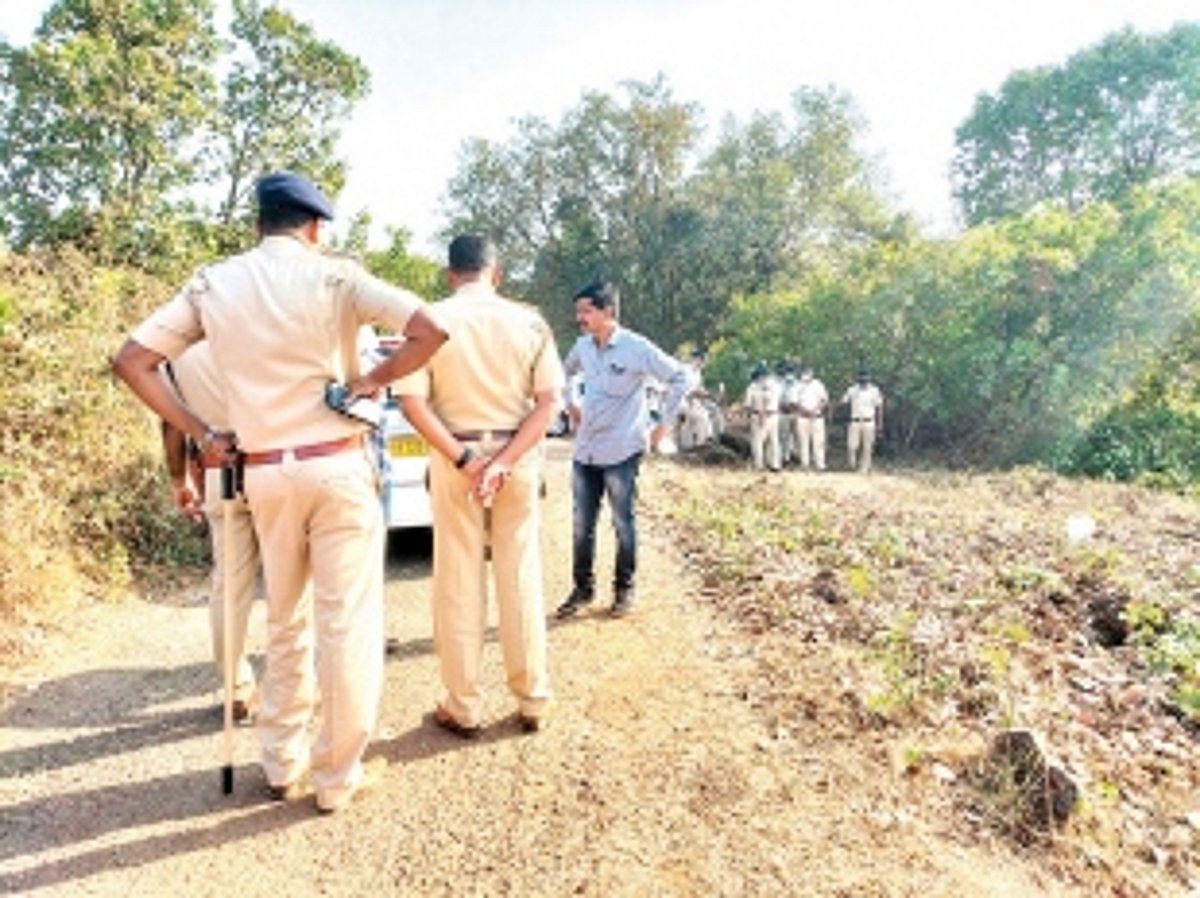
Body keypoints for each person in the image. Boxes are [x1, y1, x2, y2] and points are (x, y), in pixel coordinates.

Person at [112, 171, 447, 815]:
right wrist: (370, 381)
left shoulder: (214, 282)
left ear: (258, 224)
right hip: (337, 464)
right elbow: (429, 331)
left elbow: (132, 360)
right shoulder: (338, 276)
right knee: (344, 622)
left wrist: (202, 433)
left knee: (284, 617)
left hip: (263, 472)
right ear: (316, 226)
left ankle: (279, 761)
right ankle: (336, 778)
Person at [393, 234, 563, 737]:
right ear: (498, 273)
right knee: (519, 574)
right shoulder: (530, 321)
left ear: (451, 274)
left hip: (455, 457)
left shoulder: (429, 321)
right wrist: (503, 462)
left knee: (457, 578)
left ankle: (463, 704)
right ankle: (532, 697)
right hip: (517, 457)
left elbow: (412, 403)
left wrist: (469, 460)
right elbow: (548, 402)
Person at [556, 279, 688, 619]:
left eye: (587, 310)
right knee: (581, 524)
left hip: (621, 448)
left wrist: (663, 424)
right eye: (578, 311)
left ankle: (623, 591)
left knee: (622, 522)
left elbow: (680, 378)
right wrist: (571, 403)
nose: (580, 317)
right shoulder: (583, 346)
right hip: (586, 448)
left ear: (608, 312)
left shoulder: (636, 347)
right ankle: (582, 589)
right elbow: (564, 373)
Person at [160, 342, 260, 723]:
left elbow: (171, 420)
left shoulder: (179, 347)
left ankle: (235, 686)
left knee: (228, 585)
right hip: (272, 465)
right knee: (291, 583)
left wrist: (178, 478)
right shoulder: (256, 323)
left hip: (218, 470)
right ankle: (296, 686)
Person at [841, 367, 884, 472]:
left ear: (869, 378)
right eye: (861, 377)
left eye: (865, 377)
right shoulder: (852, 389)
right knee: (852, 445)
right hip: (855, 421)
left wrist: (880, 423)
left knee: (868, 446)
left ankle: (864, 467)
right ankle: (852, 464)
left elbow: (879, 407)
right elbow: (844, 402)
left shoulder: (874, 390)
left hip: (869, 421)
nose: (863, 379)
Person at [743, 362, 781, 471]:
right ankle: (774, 464)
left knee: (758, 441)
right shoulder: (775, 384)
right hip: (773, 415)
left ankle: (760, 465)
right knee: (773, 441)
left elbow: (764, 400)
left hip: (761, 414)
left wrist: (761, 415)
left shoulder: (755, 386)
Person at [794, 364, 830, 471]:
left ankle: (820, 465)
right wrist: (805, 411)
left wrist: (814, 410)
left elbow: (824, 400)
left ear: (812, 373)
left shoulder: (818, 385)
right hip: (802, 417)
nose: (806, 375)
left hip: (817, 417)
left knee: (818, 442)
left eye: (808, 372)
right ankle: (805, 465)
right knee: (803, 442)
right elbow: (795, 402)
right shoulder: (798, 385)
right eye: (804, 373)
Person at [777, 361, 799, 465]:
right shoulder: (779, 384)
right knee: (784, 436)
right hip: (783, 413)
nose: (789, 374)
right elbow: (777, 399)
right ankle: (785, 459)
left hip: (797, 413)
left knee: (796, 437)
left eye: (791, 370)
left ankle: (796, 457)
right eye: (787, 370)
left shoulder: (798, 384)